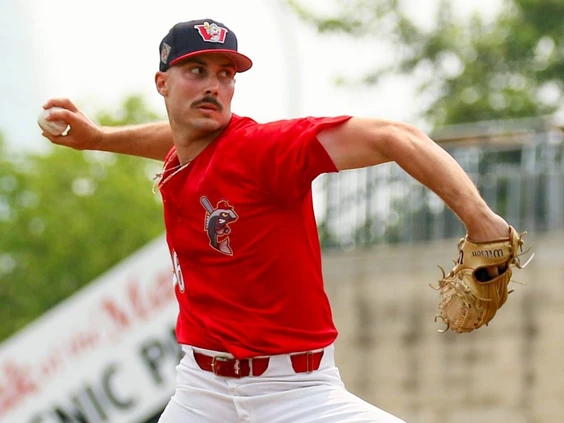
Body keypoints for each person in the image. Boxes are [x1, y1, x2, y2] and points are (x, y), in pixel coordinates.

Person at [40, 18, 511, 423]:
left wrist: (483, 223)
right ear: (162, 83)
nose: (213, 85)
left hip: (297, 393)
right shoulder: (185, 153)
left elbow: (395, 135)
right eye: (196, 70)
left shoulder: (261, 150)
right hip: (201, 392)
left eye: (225, 74)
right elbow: (175, 136)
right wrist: (98, 138)